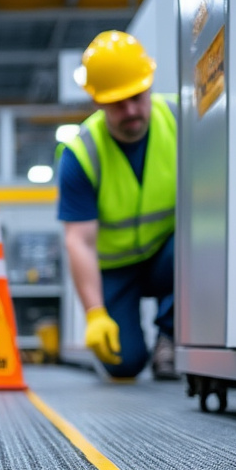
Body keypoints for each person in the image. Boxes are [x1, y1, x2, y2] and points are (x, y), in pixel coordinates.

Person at [59, 30, 179, 380]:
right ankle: (136, 345)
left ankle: (170, 336)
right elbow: (78, 240)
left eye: (137, 97)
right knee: (122, 363)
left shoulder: (181, 120)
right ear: (96, 101)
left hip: (167, 257)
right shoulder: (81, 154)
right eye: (116, 103)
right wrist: (95, 314)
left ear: (149, 86)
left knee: (198, 241)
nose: (130, 111)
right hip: (116, 269)